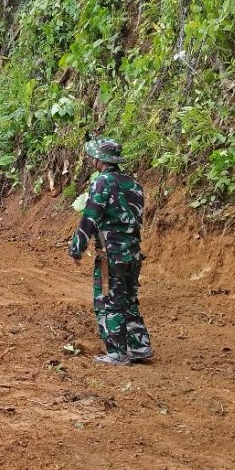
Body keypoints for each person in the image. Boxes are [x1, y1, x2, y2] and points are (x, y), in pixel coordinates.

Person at [68, 137, 153, 366]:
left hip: (111, 253)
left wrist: (77, 248)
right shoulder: (134, 184)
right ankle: (140, 345)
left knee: (107, 299)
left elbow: (90, 218)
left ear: (100, 160)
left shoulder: (102, 182)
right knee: (129, 299)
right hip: (133, 252)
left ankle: (116, 352)